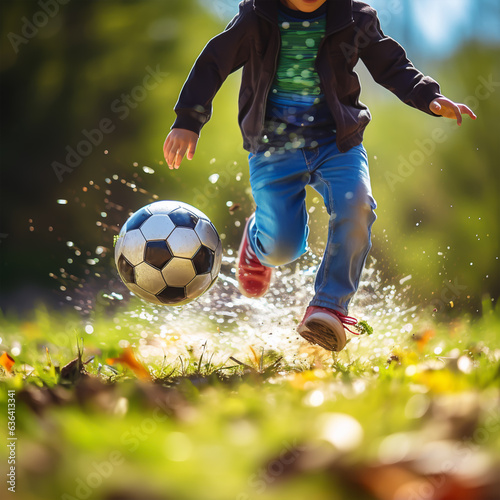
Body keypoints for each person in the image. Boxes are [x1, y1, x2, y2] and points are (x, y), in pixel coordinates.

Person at [163, 0, 476, 352]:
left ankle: (329, 306)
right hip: (272, 145)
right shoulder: (257, 16)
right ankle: (259, 238)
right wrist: (189, 119)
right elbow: (213, 63)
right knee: (283, 248)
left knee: (357, 206)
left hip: (337, 142)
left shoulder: (355, 17)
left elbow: (393, 66)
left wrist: (428, 96)